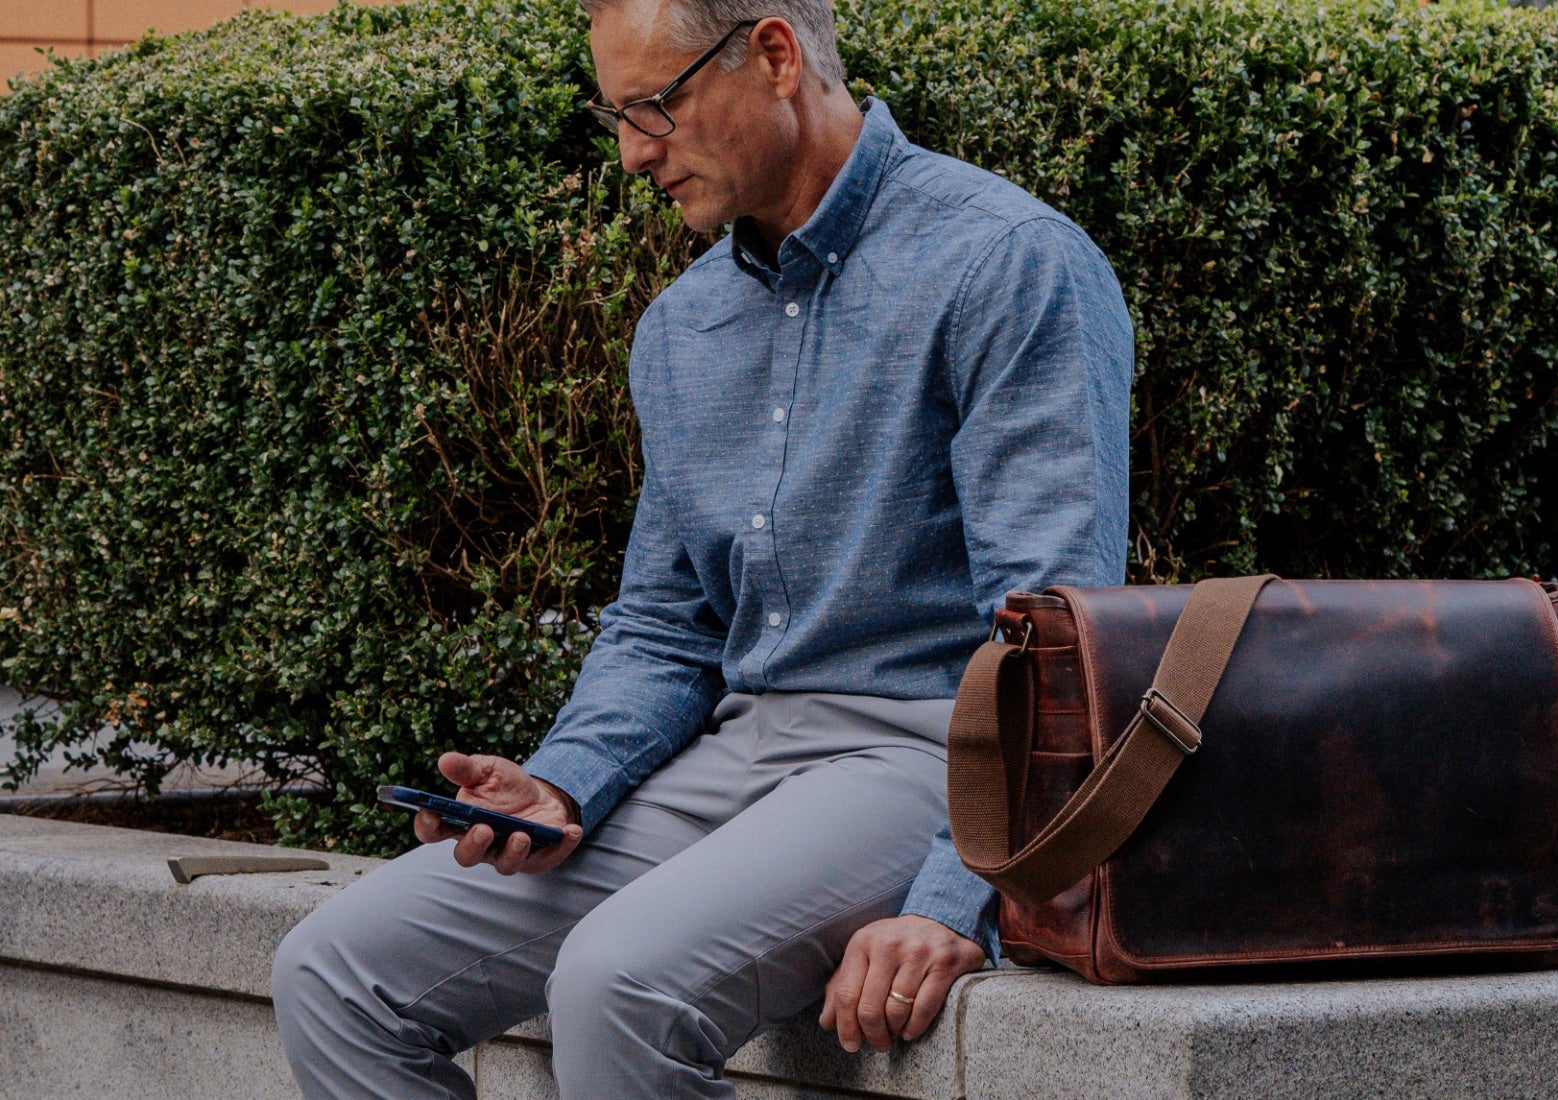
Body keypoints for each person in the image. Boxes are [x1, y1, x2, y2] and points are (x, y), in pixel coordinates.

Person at [270, 0, 1132, 1094]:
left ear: (773, 55)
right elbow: (665, 624)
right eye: (616, 116)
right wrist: (566, 785)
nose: (633, 154)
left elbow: (1052, 639)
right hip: (737, 754)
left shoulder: (1007, 264)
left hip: (922, 756)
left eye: (653, 108)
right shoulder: (684, 327)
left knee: (620, 979)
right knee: (335, 971)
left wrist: (960, 897)